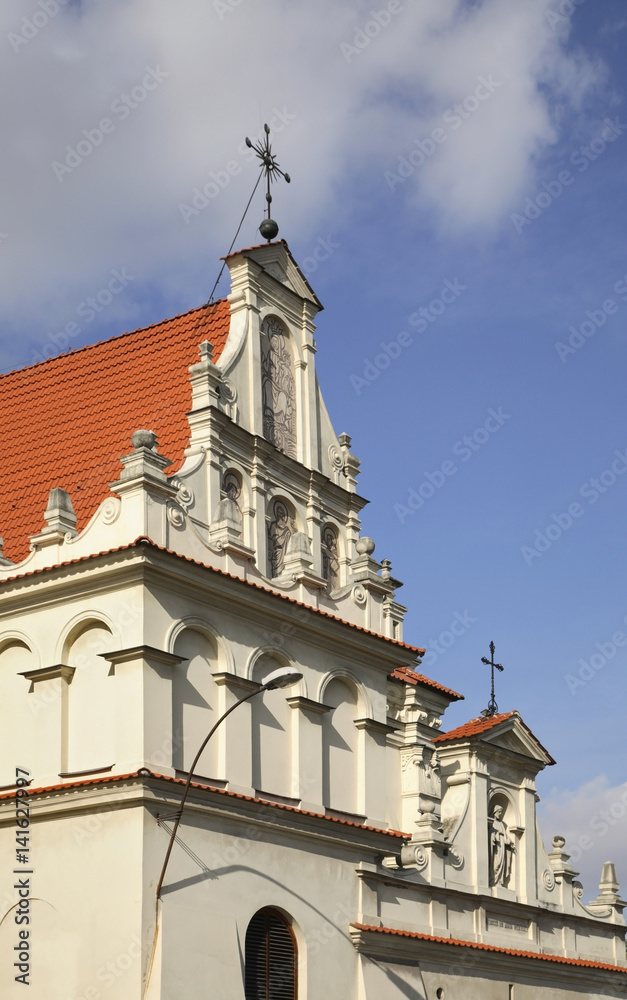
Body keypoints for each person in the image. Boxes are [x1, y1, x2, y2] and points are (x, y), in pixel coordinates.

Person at [489, 804, 515, 886]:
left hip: (502, 847)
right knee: (495, 863)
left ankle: (500, 881)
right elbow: (490, 833)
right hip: (496, 846)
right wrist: (494, 836)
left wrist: (510, 842)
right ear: (495, 812)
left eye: (501, 812)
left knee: (501, 863)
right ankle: (493, 880)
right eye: (499, 812)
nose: (500, 814)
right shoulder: (492, 822)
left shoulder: (501, 824)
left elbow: (505, 835)